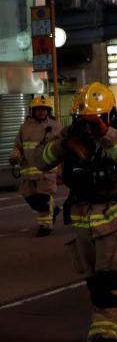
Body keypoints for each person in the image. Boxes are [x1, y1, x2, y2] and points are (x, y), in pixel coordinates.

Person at [29, 82, 117, 342]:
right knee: (95, 278)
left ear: (109, 114)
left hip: (114, 216)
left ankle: (103, 336)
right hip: (82, 217)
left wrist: (105, 133)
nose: (88, 125)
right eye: (82, 119)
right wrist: (64, 144)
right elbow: (39, 161)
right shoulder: (70, 134)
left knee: (108, 278)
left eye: (95, 118)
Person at [8, 95, 60, 236]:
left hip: (47, 171)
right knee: (30, 197)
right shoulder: (25, 127)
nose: (42, 112)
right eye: (39, 109)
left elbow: (61, 146)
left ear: (48, 111)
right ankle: (53, 209)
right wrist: (14, 156)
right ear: (32, 111)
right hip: (28, 171)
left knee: (43, 198)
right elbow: (18, 145)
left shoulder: (55, 126)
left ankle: (46, 226)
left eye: (44, 109)